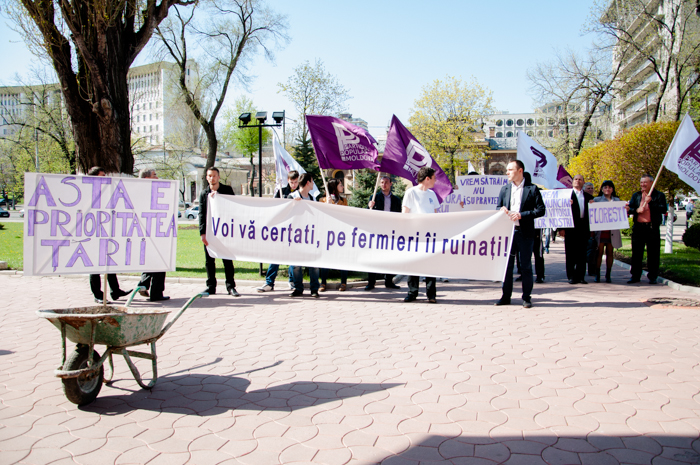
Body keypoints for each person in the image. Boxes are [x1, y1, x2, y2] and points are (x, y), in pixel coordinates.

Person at [495, 161, 546, 308]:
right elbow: (498, 206)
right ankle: (505, 296)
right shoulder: (505, 189)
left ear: (520, 171)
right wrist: (501, 209)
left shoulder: (532, 189)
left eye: (510, 169)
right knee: (507, 266)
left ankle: (526, 297)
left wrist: (522, 215)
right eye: (507, 170)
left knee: (525, 266)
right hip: (508, 233)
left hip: (525, 233)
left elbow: (541, 210)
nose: (507, 172)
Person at [87, 166, 132, 304]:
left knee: (109, 262)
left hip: (106, 231)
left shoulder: (108, 192)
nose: (106, 178)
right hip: (93, 232)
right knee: (95, 265)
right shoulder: (89, 192)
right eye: (102, 175)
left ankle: (115, 290)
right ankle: (98, 294)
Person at [257, 171, 300, 292]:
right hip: (281, 229)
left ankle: (292, 282)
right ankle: (269, 282)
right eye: (292, 182)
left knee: (292, 258)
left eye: (296, 182)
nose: (294, 184)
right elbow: (274, 207)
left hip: (295, 230)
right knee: (275, 256)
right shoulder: (281, 192)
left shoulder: (300, 193)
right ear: (288, 181)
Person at [199, 167, 240, 297]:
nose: (212, 178)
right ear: (207, 177)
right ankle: (211, 287)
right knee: (209, 260)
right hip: (210, 232)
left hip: (224, 231)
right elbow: (201, 213)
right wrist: (202, 233)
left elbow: (234, 208)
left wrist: (218, 199)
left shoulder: (227, 190)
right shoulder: (203, 193)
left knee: (227, 260)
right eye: (210, 176)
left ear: (218, 177)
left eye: (214, 175)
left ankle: (230, 286)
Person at [402, 167, 439, 303]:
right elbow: (404, 214)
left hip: (429, 236)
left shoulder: (432, 195)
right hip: (414, 236)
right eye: (434, 178)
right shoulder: (410, 193)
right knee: (413, 264)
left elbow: (435, 215)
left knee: (431, 264)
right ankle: (412, 292)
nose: (435, 181)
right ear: (427, 179)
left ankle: (431, 294)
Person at [136, 169, 170, 301]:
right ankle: (154, 291)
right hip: (149, 230)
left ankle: (144, 285)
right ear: (146, 178)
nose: (157, 177)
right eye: (154, 175)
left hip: (157, 230)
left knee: (154, 259)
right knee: (158, 259)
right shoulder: (145, 193)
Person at [628, 174, 668, 284]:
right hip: (638, 228)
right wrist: (636, 210)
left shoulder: (659, 195)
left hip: (652, 228)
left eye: (645, 182)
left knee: (653, 253)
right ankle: (635, 276)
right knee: (636, 254)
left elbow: (663, 209)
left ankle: (653, 276)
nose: (642, 185)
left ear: (651, 183)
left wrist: (652, 203)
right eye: (641, 182)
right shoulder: (636, 195)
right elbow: (630, 208)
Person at [366, 176, 402, 291]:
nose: (384, 184)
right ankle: (371, 282)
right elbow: (368, 214)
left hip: (391, 231)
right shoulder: (374, 197)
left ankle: (389, 281)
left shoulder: (396, 200)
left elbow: (399, 216)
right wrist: (369, 206)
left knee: (390, 257)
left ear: (391, 184)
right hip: (377, 231)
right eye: (382, 182)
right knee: (373, 257)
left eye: (386, 182)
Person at [289, 173, 320, 298]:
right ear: (308, 182)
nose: (313, 184)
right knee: (296, 265)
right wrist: (292, 204)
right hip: (296, 236)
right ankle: (298, 288)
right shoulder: (292, 196)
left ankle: (314, 289)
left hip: (310, 236)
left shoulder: (312, 199)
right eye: (312, 182)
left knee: (314, 264)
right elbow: (284, 213)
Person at [560, 174, 594, 284]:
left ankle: (581, 276)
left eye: (580, 179)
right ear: (572, 182)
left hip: (583, 227)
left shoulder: (589, 197)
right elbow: (561, 212)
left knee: (582, 253)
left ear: (583, 182)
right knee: (570, 253)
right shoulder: (567, 195)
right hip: (570, 227)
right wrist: (561, 228)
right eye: (576, 179)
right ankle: (571, 276)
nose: (577, 181)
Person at [319, 178, 349, 291]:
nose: (342, 186)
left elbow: (345, 215)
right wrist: (328, 204)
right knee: (326, 258)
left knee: (342, 258)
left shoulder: (343, 201)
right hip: (327, 233)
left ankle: (343, 283)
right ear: (334, 186)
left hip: (340, 233)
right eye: (340, 185)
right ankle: (323, 283)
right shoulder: (322, 200)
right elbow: (321, 216)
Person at [591, 180, 623, 283]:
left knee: (610, 253)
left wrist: (625, 209)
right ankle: (597, 274)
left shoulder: (617, 201)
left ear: (612, 189)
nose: (607, 189)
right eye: (605, 187)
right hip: (601, 232)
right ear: (602, 189)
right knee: (599, 253)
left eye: (609, 187)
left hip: (612, 232)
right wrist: (591, 204)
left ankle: (608, 274)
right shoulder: (597, 200)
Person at [583, 182, 598, 277]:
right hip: (584, 228)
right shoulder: (582, 199)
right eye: (588, 188)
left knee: (593, 251)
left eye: (591, 188)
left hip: (594, 230)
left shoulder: (596, 200)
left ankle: (592, 270)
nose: (590, 190)